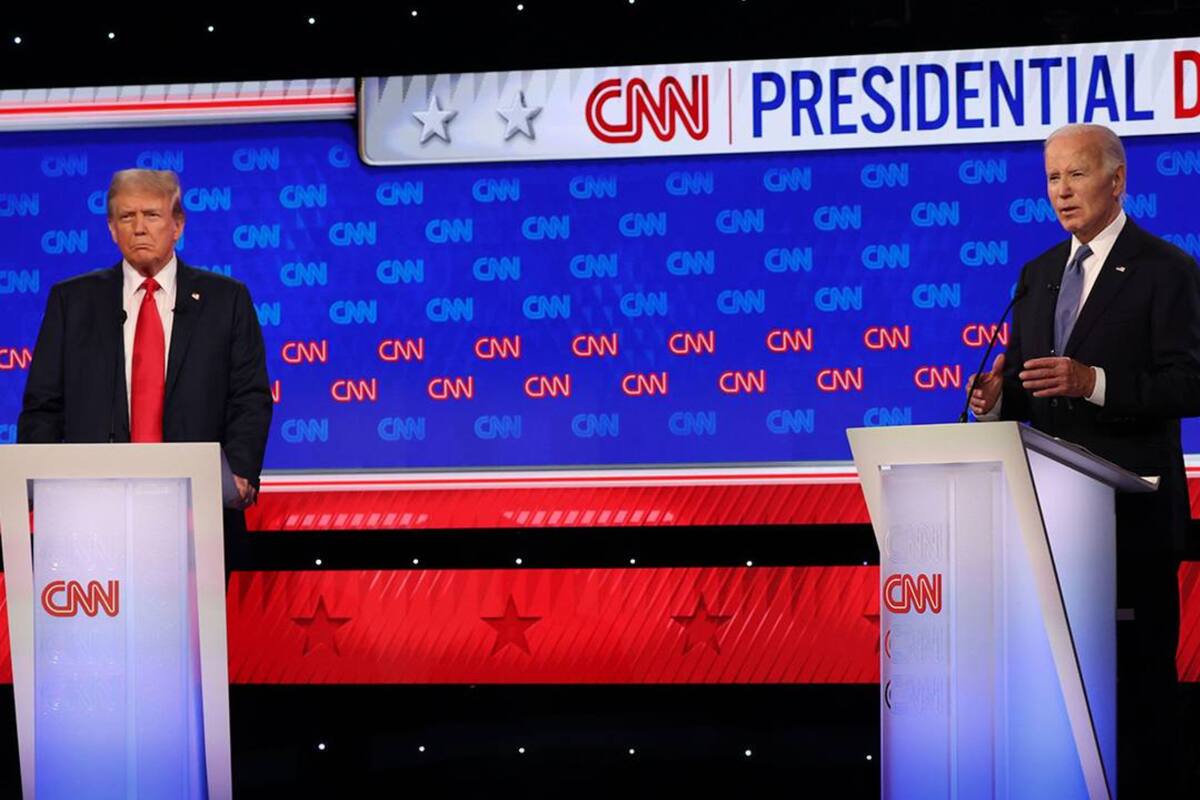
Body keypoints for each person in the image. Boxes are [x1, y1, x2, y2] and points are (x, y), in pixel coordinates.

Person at [969, 123, 1200, 793]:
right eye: (1051, 178)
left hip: (1132, 527)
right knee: (1059, 703)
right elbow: (1030, 394)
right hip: (1048, 530)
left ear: (1117, 180)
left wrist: (1091, 381)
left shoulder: (1167, 270)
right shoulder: (1037, 275)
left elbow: (1190, 382)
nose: (1061, 191)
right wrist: (995, 400)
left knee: (1138, 702)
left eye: (1075, 174)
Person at [18, 168, 272, 533]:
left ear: (177, 225)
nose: (139, 228)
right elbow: (43, 406)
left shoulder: (226, 300)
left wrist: (240, 474)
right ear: (111, 228)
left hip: (197, 511)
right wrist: (42, 485)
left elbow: (249, 398)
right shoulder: (72, 301)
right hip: (91, 512)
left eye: (151, 215)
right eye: (126, 216)